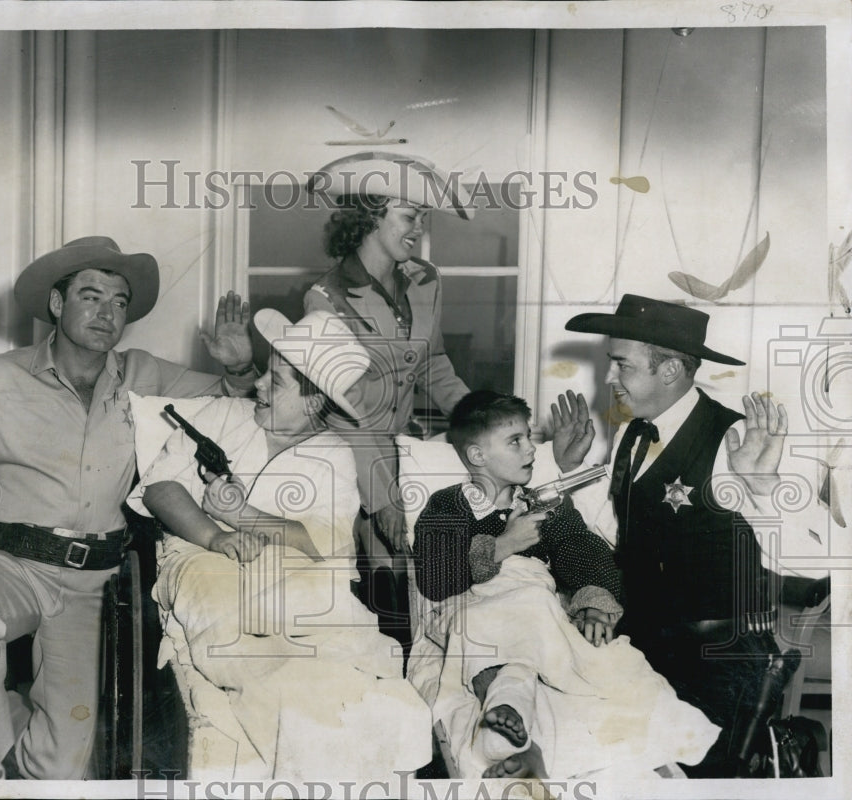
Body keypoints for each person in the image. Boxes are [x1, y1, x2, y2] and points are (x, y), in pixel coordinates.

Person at [0, 236, 258, 779]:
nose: (107, 313)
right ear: (57, 305)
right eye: (91, 295)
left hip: (99, 584)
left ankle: (19, 746)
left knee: (60, 768)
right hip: (15, 564)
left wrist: (240, 368)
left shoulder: (145, 374)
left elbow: (234, 404)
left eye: (119, 301)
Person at [127, 308, 431, 780]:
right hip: (204, 558)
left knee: (339, 626)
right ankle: (301, 710)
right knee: (229, 625)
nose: (260, 385)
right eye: (267, 371)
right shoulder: (225, 415)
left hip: (297, 575)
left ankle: (346, 695)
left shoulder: (332, 455)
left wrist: (241, 515)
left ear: (313, 401)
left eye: (278, 379)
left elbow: (319, 541)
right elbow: (160, 487)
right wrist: (216, 535)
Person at [412, 390, 719, 779]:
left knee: (615, 662)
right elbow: (434, 578)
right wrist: (505, 544)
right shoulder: (448, 505)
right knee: (502, 625)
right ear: (477, 456)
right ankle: (510, 717)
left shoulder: (544, 505)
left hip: (536, 608)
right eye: (516, 441)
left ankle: (511, 723)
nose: (531, 450)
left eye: (528, 437)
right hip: (474, 606)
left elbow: (583, 551)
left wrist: (593, 602)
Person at [556, 293, 794, 777]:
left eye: (621, 364)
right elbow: (616, 535)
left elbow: (792, 560)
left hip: (715, 664)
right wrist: (569, 470)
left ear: (669, 371)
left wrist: (764, 487)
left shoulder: (737, 440)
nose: (608, 376)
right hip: (643, 646)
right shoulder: (633, 433)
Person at [303, 152, 473, 647]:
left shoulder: (426, 281)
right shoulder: (325, 297)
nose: (418, 229)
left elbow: (434, 365)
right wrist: (382, 499)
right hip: (348, 455)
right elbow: (347, 409)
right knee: (383, 589)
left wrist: (479, 424)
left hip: (400, 450)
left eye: (421, 217)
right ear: (369, 217)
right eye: (408, 216)